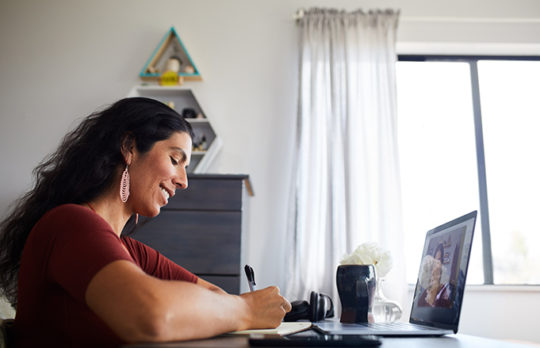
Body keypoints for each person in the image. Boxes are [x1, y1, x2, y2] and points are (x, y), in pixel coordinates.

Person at [0, 97, 291, 347]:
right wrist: (244, 308)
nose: (184, 181)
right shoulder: (70, 224)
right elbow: (151, 315)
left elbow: (213, 295)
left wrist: (235, 307)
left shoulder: (131, 252)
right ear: (129, 147)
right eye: (175, 159)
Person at [417, 243, 453, 308]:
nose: (436, 263)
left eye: (439, 260)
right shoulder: (424, 294)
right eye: (434, 260)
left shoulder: (446, 291)